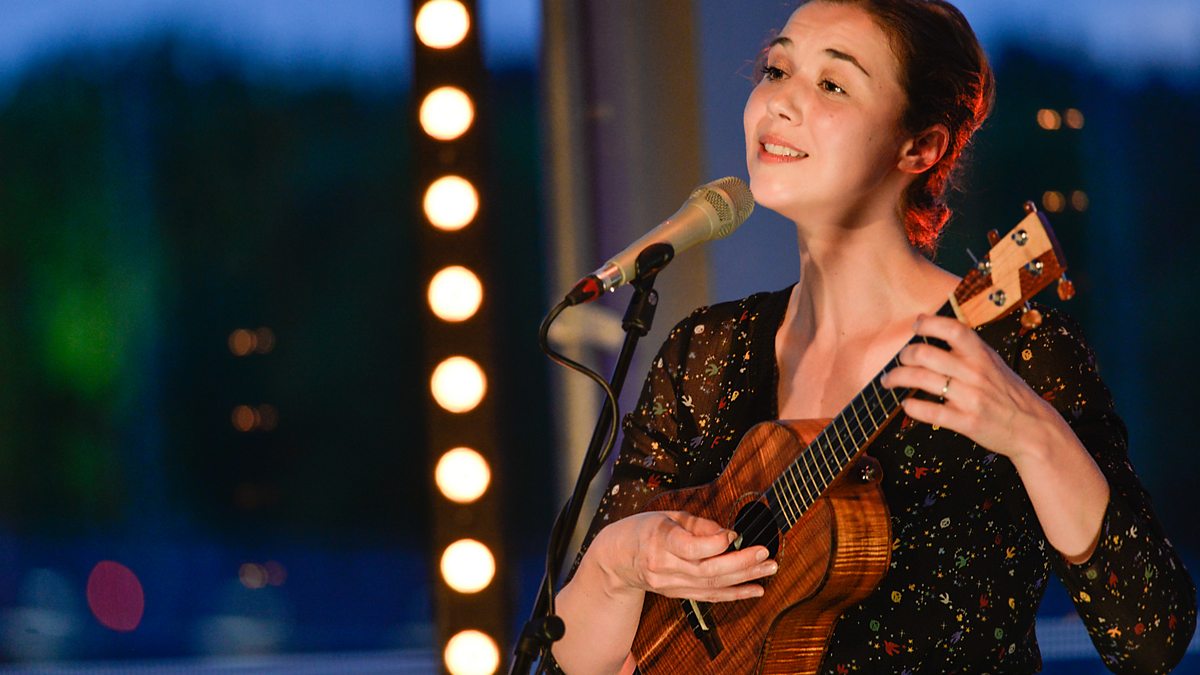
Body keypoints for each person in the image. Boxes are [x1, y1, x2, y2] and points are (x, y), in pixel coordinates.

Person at [547, 1, 1197, 673]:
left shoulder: (1006, 349)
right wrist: (619, 562)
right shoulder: (707, 352)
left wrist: (1034, 436)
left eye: (832, 84)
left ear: (921, 147)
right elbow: (575, 657)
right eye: (776, 70)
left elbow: (1149, 640)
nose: (780, 102)